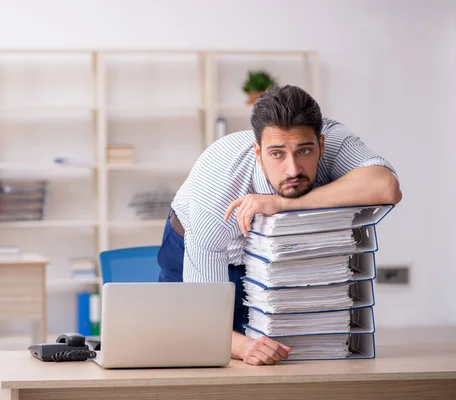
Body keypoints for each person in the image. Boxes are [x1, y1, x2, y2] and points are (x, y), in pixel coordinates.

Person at [157, 85, 402, 366]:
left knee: (294, 357)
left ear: (321, 145)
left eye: (305, 150)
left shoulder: (336, 140)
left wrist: (281, 203)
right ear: (258, 153)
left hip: (283, 252)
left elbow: (386, 186)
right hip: (204, 249)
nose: (293, 170)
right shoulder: (218, 188)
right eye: (276, 154)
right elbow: (203, 318)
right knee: (195, 348)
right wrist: (239, 345)